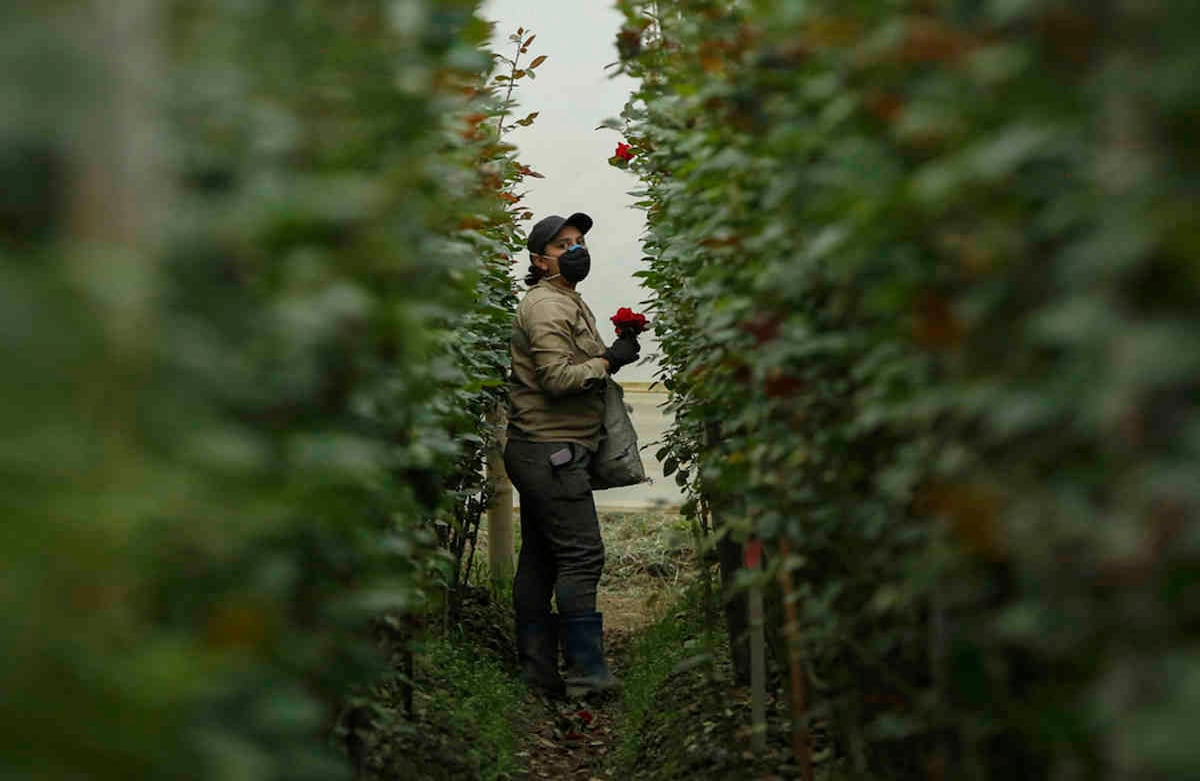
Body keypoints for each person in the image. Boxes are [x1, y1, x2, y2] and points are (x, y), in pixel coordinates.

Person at [504, 211, 641, 699]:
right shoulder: (546, 307)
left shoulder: (565, 300)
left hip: (551, 448)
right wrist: (608, 361)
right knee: (583, 555)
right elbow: (559, 379)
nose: (576, 250)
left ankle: (539, 674)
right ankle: (586, 674)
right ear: (540, 261)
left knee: (542, 557)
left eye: (579, 241)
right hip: (549, 451)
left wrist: (614, 350)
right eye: (564, 245)